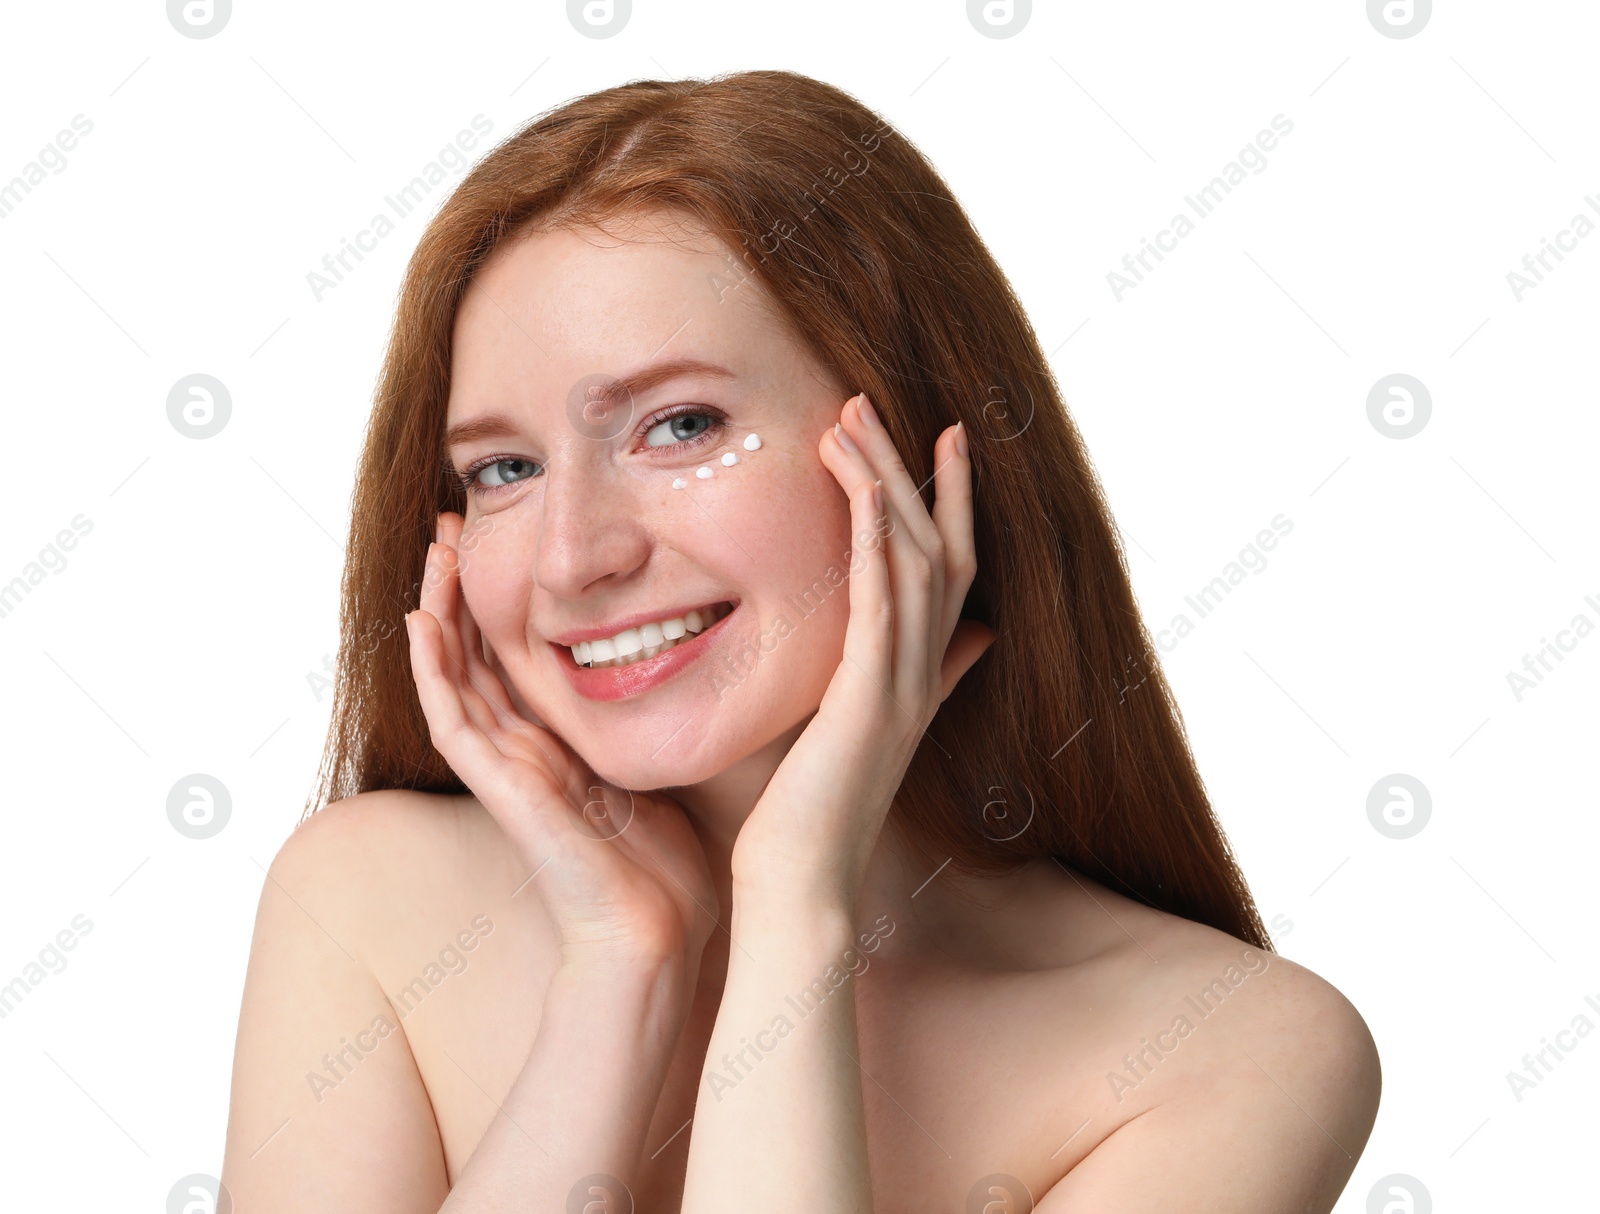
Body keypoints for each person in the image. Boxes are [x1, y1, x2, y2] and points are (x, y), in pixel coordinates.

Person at [221, 70, 1380, 1212]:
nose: (574, 556)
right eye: (505, 470)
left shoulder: (1233, 1051)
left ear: (920, 452)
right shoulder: (365, 901)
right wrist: (620, 974)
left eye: (680, 425)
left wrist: (792, 898)